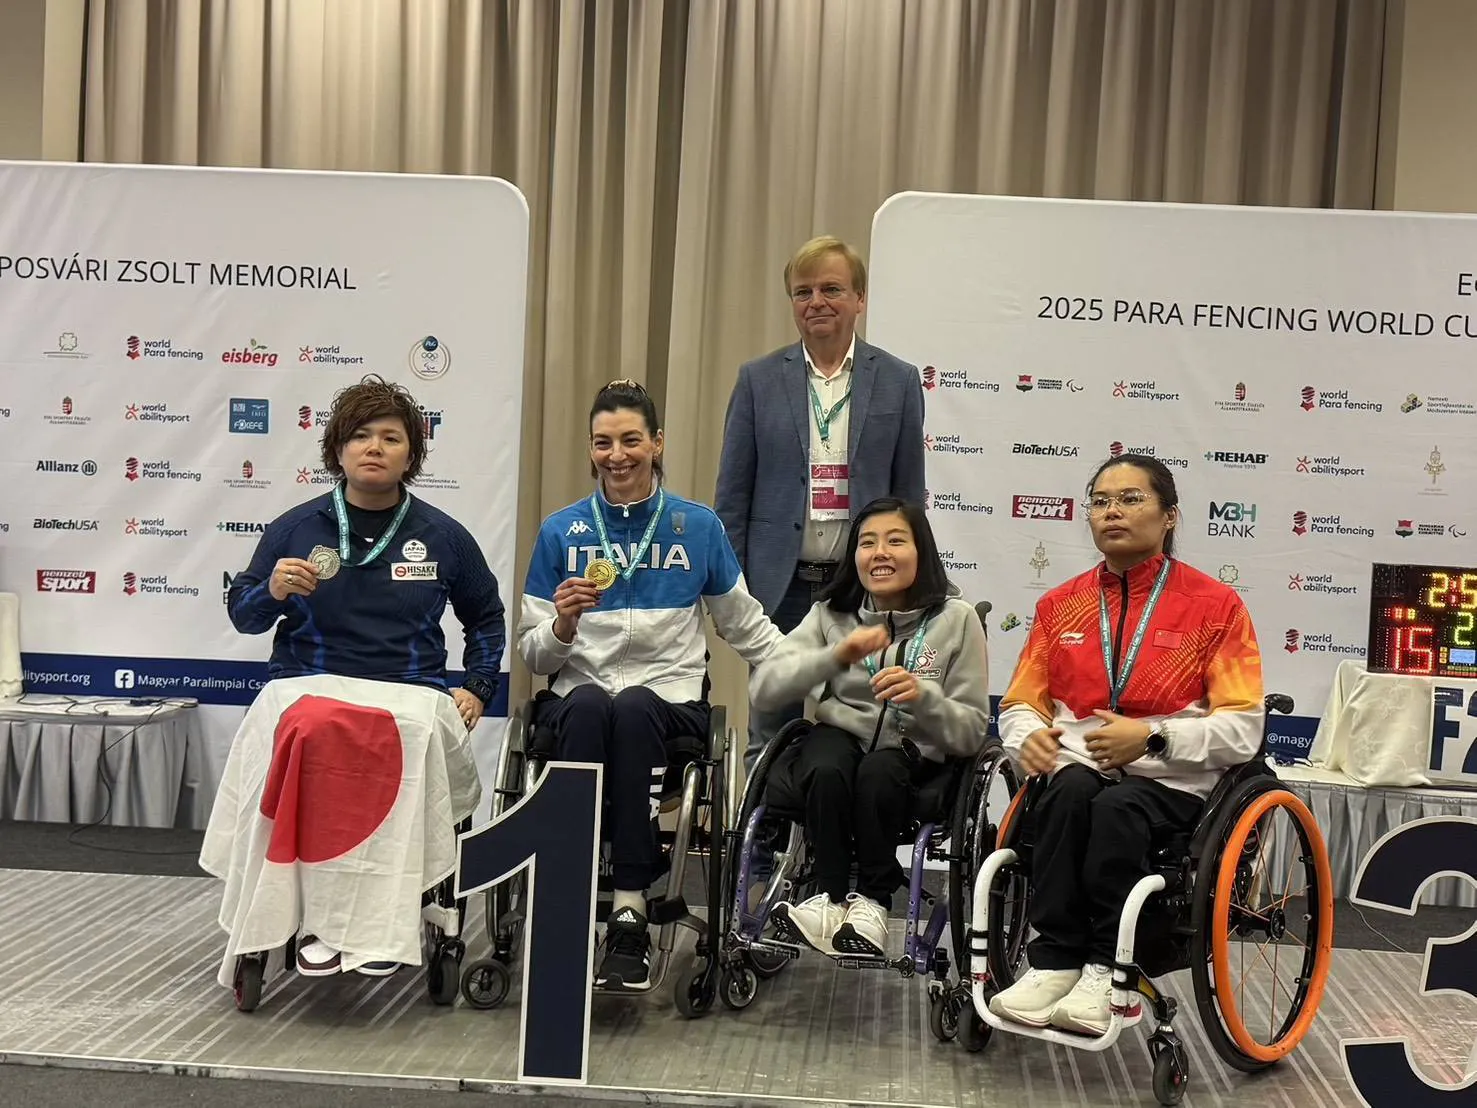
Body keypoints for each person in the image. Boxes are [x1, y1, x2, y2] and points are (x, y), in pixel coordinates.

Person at [221, 373, 505, 977]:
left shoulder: (444, 536)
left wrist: (479, 685)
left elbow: (485, 618)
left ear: (411, 454)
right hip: (309, 682)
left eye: (391, 437)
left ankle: (374, 924)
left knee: (404, 736)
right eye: (360, 435)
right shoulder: (296, 528)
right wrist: (271, 591)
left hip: (408, 694)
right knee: (314, 726)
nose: (374, 447)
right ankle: (320, 922)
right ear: (338, 448)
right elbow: (245, 616)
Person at [518, 379, 783, 991]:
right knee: (589, 703)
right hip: (579, 700)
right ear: (591, 448)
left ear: (657, 443)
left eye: (631, 440)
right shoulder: (561, 531)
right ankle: (571, 891)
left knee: (635, 705)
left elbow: (746, 626)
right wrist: (562, 625)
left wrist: (811, 675)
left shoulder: (697, 527)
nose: (617, 456)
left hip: (669, 704)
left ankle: (630, 909)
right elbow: (533, 653)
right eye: (603, 442)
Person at [988, 453, 1264, 1036]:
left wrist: (1154, 738)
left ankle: (1106, 968)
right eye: (1100, 501)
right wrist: (1028, 737)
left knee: (1116, 805)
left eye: (1131, 498)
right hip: (1082, 767)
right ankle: (1054, 961)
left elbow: (1243, 729)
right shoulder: (1059, 604)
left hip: (1172, 782)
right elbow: (1019, 704)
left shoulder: (1216, 606)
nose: (1112, 511)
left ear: (1169, 516)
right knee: (1066, 793)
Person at [715, 235, 927, 774]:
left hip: (860, 587)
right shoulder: (758, 379)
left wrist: (905, 586)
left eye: (831, 289)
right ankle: (762, 828)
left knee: (862, 732)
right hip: (779, 588)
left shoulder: (899, 381)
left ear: (860, 298)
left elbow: (909, 497)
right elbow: (732, 497)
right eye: (803, 291)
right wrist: (734, 593)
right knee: (770, 733)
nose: (816, 302)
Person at [751, 497, 991, 957]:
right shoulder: (830, 613)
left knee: (879, 772)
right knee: (825, 764)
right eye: (867, 543)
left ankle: (873, 905)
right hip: (840, 738)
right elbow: (765, 688)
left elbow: (969, 731)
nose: (880, 553)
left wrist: (923, 697)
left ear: (921, 551)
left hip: (913, 752)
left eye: (895, 541)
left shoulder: (956, 619)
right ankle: (827, 897)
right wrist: (833, 657)